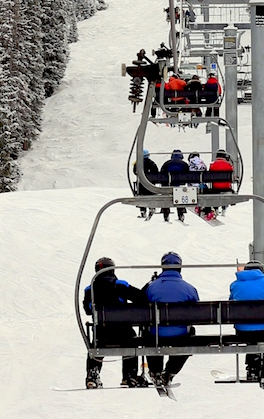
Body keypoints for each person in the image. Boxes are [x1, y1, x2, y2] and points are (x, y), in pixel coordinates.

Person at [82, 257, 150, 388]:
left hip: (101, 334)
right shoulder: (120, 285)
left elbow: (88, 310)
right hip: (123, 332)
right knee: (132, 340)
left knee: (95, 344)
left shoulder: (89, 289)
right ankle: (129, 376)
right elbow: (140, 298)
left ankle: (93, 374)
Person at [230, 260, 264, 393]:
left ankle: (253, 370)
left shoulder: (235, 285)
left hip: (242, 331)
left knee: (249, 333)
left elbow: (230, 306)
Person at [144, 252, 199, 386]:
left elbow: (142, 303)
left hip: (156, 334)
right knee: (190, 335)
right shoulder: (188, 288)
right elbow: (197, 310)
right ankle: (170, 372)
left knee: (149, 333)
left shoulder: (152, 287)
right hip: (180, 335)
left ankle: (155, 371)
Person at [160, 151, 190, 221]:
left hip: (168, 185)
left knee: (166, 197)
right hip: (179, 186)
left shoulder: (167, 163)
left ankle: (166, 213)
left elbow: (161, 175)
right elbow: (188, 175)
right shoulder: (184, 164)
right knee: (180, 195)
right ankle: (181, 213)